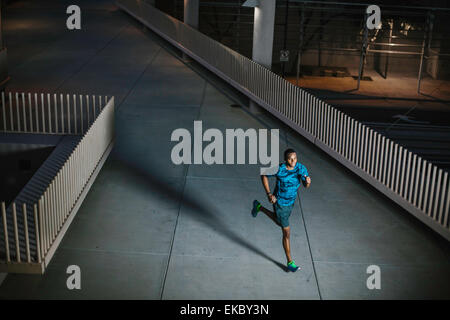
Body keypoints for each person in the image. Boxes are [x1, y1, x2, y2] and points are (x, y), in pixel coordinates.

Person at [252, 148, 311, 272]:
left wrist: (308, 182)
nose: (293, 160)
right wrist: (269, 194)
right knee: (286, 233)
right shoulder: (280, 169)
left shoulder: (301, 168)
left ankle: (259, 207)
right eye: (290, 158)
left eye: (295, 158)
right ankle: (290, 261)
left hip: (291, 203)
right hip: (280, 203)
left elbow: (306, 185)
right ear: (285, 160)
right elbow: (263, 174)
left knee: (279, 222)